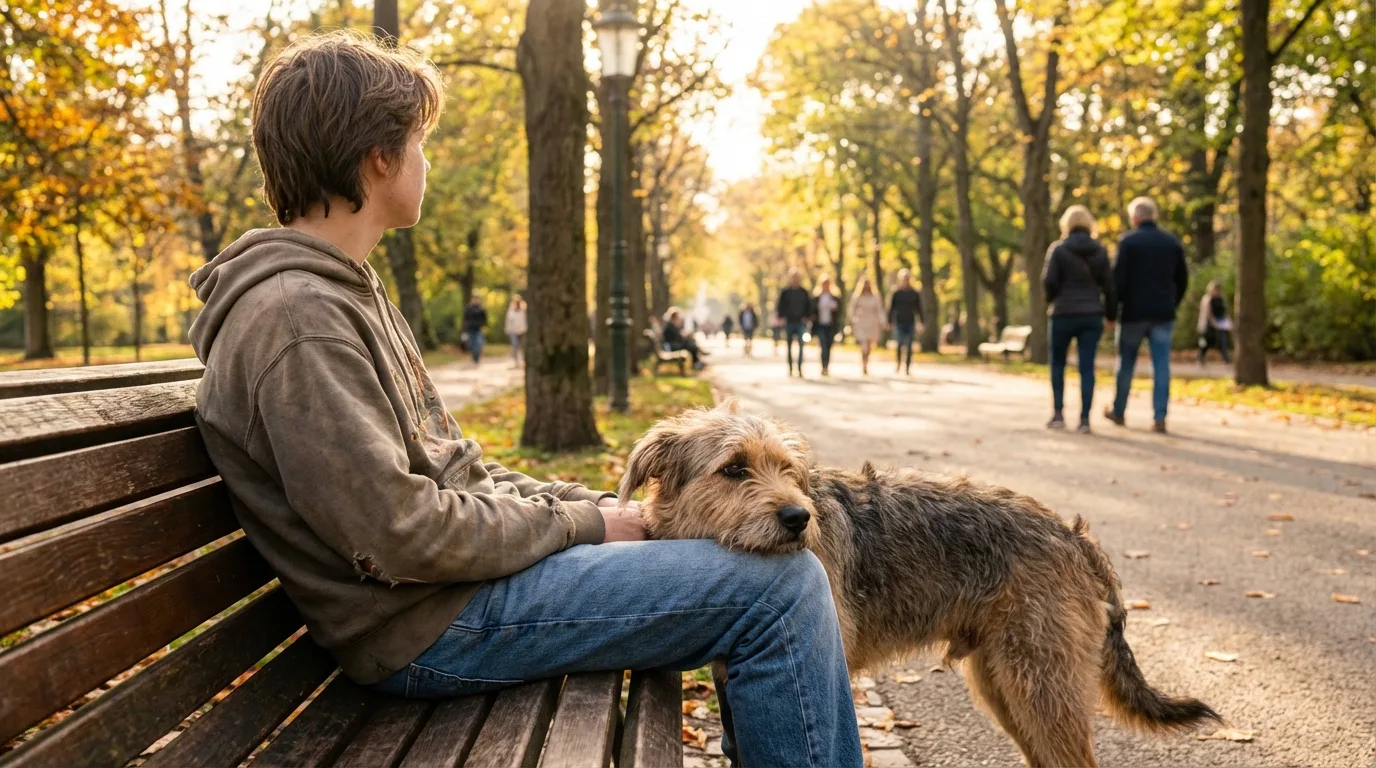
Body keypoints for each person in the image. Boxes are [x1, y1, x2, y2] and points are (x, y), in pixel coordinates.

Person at [184, 32, 860, 766]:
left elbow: (452, 469)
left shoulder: (337, 291)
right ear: (379, 157)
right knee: (781, 592)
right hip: (427, 627)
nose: (426, 161)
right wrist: (579, 524)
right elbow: (401, 532)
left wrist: (586, 507)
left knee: (749, 566)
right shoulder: (298, 319)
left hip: (450, 598)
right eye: (419, 142)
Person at [1105, 196, 1189, 434]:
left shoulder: (1128, 242)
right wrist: (1173, 303)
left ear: (1135, 218)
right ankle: (1160, 417)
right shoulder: (1171, 242)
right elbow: (1182, 279)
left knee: (1126, 364)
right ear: (1154, 216)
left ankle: (1119, 411)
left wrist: (1112, 312)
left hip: (1133, 313)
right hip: (1163, 313)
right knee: (1161, 365)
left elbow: (1117, 282)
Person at [1042, 205, 1117, 433]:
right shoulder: (1100, 251)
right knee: (1087, 367)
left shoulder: (1058, 249)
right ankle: (1084, 420)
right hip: (1091, 314)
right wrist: (1110, 315)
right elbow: (1110, 287)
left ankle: (1057, 414)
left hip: (1063, 313)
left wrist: (1053, 300)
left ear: (1067, 224)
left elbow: (1049, 282)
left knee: (1057, 365)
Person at [777, 269, 812, 377]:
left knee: (801, 345)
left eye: (797, 277)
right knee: (789, 346)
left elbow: (808, 306)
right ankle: (791, 368)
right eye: (793, 277)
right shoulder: (785, 292)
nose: (795, 280)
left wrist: (807, 317)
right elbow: (780, 306)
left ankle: (800, 368)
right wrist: (781, 317)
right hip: (789, 322)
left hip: (801, 322)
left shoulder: (804, 292)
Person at [888, 269, 923, 375]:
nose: (905, 281)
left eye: (907, 279)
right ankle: (898, 363)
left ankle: (907, 367)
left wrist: (921, 322)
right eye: (904, 279)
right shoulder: (896, 293)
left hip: (910, 322)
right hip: (899, 321)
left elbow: (919, 309)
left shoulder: (914, 293)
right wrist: (889, 321)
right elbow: (891, 308)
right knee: (899, 344)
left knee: (909, 345)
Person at [849, 277, 885, 376]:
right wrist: (851, 321)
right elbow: (852, 309)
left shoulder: (875, 297)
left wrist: (883, 322)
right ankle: (863, 364)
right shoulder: (857, 297)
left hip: (872, 323)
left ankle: (866, 362)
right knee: (863, 345)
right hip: (861, 322)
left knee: (869, 345)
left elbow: (879, 310)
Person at [1197, 280, 1232, 366]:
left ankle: (1225, 359)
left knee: (1222, 340)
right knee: (1204, 342)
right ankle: (1201, 358)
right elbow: (1207, 312)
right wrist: (1214, 322)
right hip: (1207, 325)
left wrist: (1228, 322)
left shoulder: (1221, 298)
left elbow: (1224, 311)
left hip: (1220, 323)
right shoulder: (1207, 299)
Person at [813, 276, 840, 376]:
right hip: (820, 325)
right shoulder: (817, 298)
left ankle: (826, 366)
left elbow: (839, 313)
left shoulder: (834, 298)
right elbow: (813, 311)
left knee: (828, 346)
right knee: (823, 345)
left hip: (830, 325)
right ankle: (823, 366)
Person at [462, 295, 488, 365]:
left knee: (478, 343)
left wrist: (483, 326)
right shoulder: (468, 309)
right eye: (474, 299)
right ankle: (474, 358)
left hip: (478, 329)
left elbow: (485, 320)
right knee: (471, 344)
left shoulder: (481, 309)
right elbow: (465, 319)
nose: (475, 301)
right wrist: (465, 330)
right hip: (470, 329)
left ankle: (476, 359)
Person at [504, 294, 527, 368]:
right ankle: (516, 361)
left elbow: (525, 321)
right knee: (515, 346)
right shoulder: (511, 311)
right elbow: (508, 321)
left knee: (523, 347)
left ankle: (523, 361)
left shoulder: (523, 310)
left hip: (522, 331)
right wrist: (507, 330)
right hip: (513, 331)